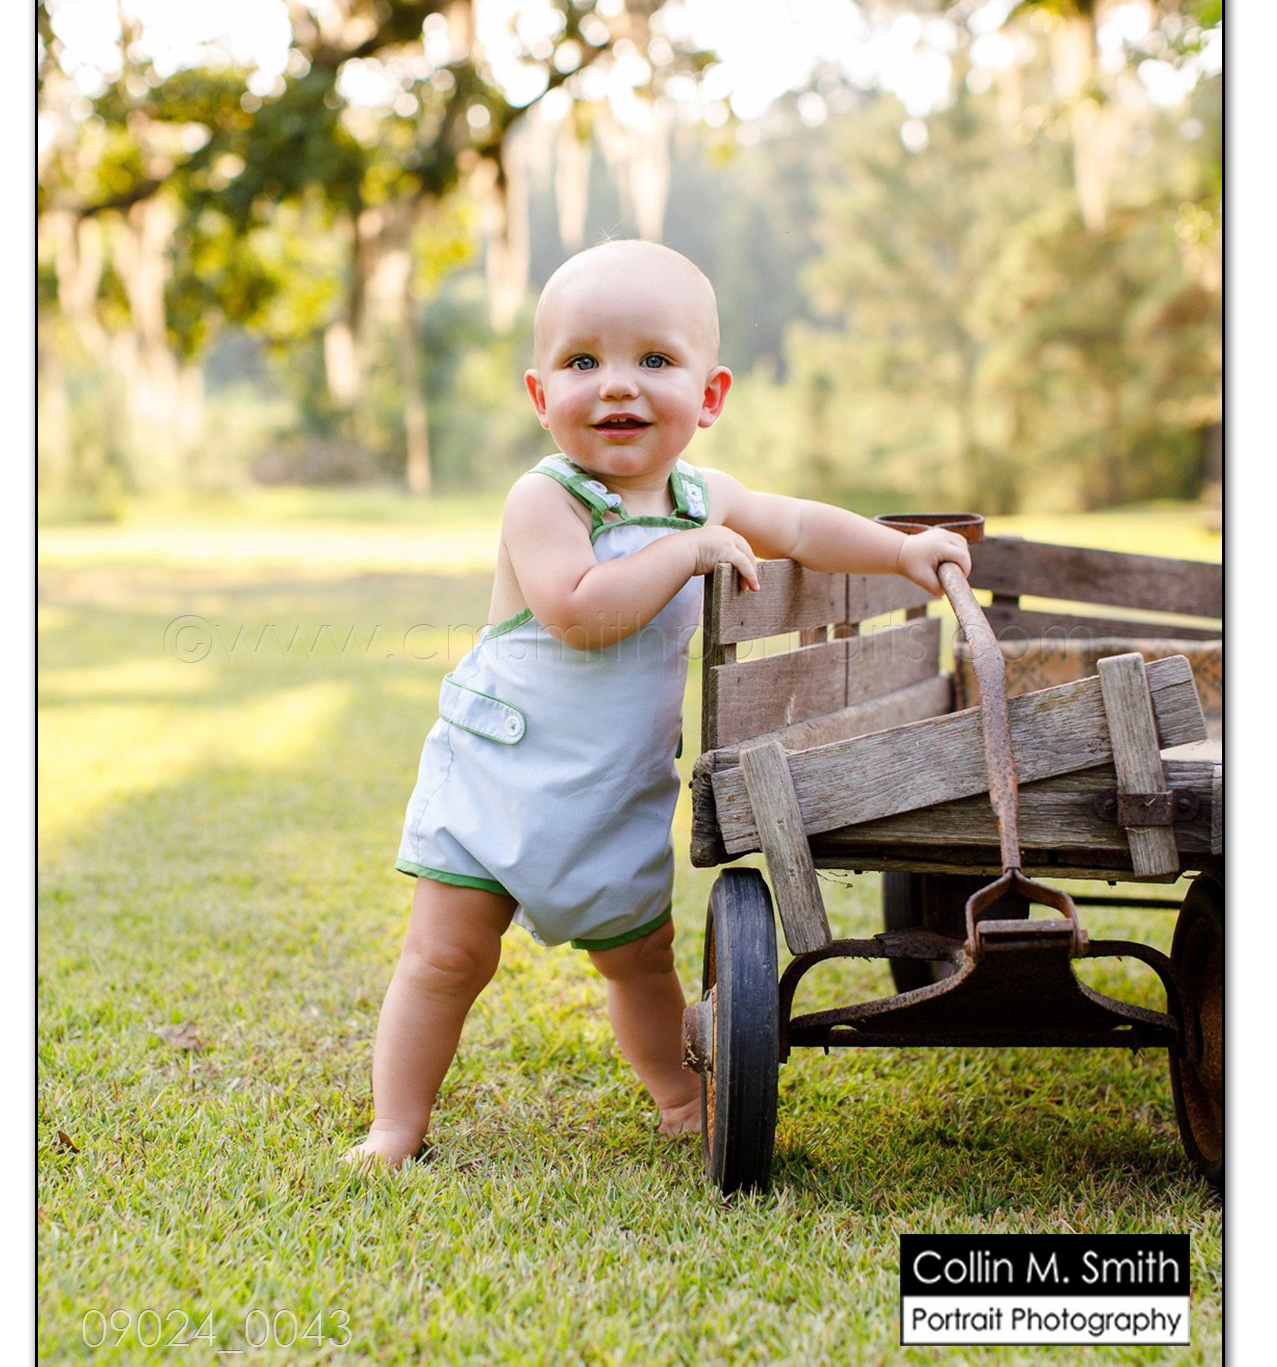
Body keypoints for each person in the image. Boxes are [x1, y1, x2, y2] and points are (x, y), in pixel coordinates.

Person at [343, 240, 971, 1168]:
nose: (616, 385)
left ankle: (681, 1097)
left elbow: (801, 526)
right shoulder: (545, 500)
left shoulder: (702, 496)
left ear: (709, 396)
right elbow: (578, 613)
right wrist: (686, 552)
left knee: (640, 961)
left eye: (654, 359)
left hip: (611, 791)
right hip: (500, 777)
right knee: (447, 958)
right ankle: (396, 1127)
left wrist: (903, 550)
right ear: (540, 394)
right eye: (582, 361)